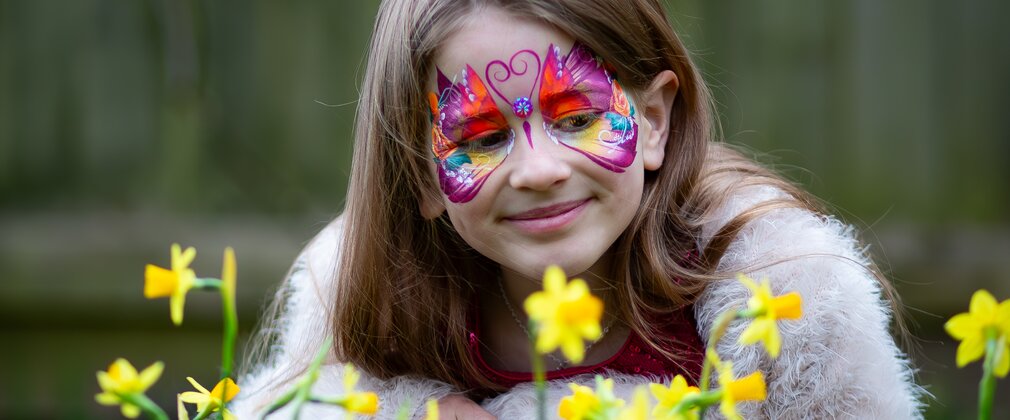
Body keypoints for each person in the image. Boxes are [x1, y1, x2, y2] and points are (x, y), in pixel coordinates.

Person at [233, 0, 924, 418]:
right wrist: (411, 410)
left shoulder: (781, 300)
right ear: (423, 178)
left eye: (575, 118)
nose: (538, 170)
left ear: (654, 120)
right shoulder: (368, 298)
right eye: (482, 136)